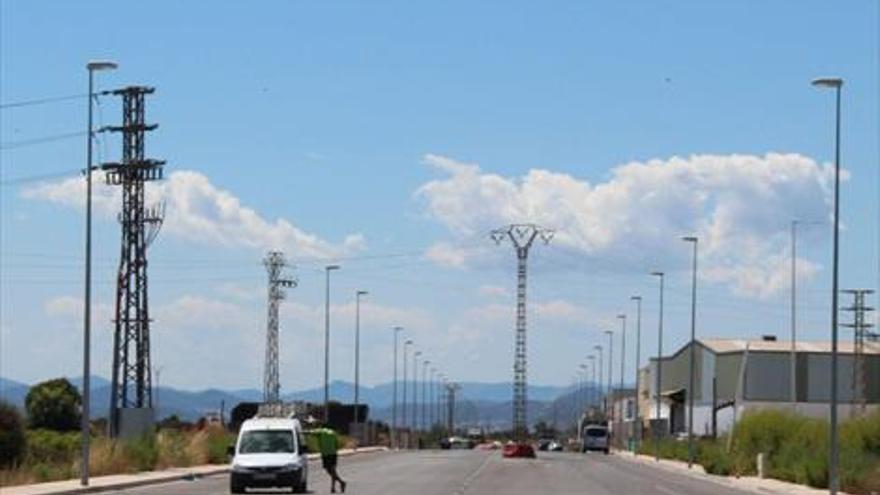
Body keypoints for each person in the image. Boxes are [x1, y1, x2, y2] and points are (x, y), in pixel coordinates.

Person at [316, 426, 346, 493]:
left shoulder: (321, 432)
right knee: (333, 471)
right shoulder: (333, 433)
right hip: (333, 454)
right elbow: (336, 444)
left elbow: (310, 432)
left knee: (330, 471)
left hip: (325, 454)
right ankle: (335, 486)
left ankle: (339, 483)